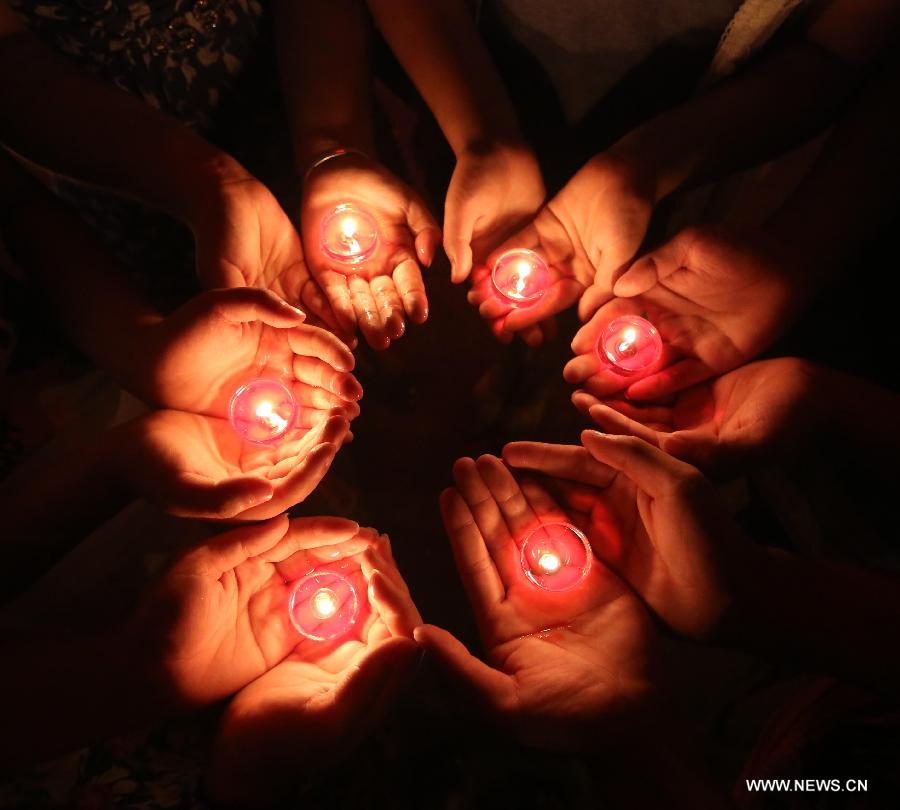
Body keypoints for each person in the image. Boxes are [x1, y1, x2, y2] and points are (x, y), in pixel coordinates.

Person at [467, 0, 900, 345]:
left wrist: (643, 165)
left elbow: (836, 55)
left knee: (629, 299)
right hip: (496, 92)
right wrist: (480, 127)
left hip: (704, 160)